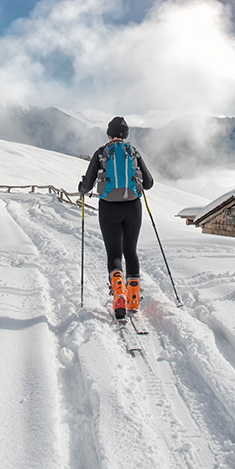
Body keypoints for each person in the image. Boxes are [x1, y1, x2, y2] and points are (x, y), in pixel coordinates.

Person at [78, 116, 154, 319]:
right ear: (126, 135)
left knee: (114, 253)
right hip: (133, 207)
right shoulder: (133, 152)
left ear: (109, 134)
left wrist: (82, 188)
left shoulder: (102, 152)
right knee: (131, 251)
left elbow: (87, 184)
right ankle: (134, 296)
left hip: (109, 207)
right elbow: (148, 183)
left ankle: (118, 293)